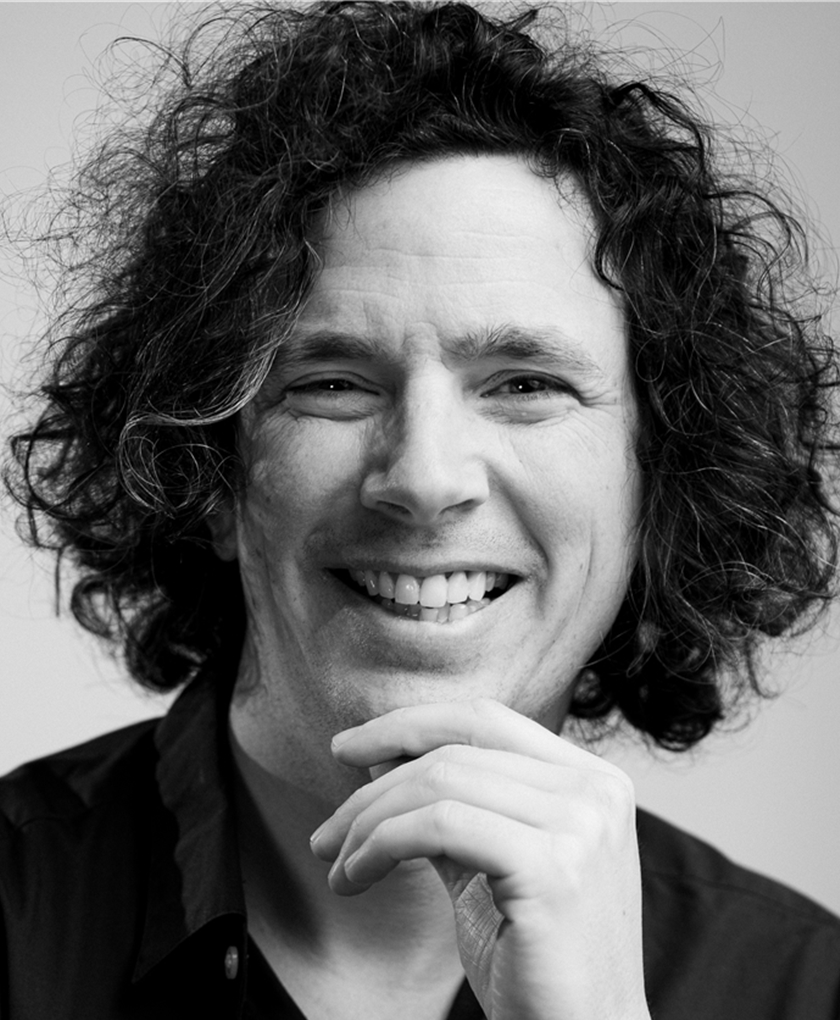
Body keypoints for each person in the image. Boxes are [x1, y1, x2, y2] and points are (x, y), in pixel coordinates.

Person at [2, 3, 839, 1018]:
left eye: (526, 383)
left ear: (657, 483)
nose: (427, 477)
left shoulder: (803, 987)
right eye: (332, 384)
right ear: (205, 471)